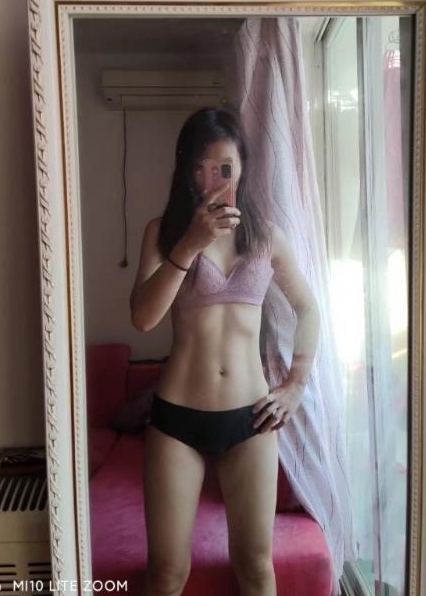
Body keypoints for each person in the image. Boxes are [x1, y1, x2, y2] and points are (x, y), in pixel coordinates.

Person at [129, 106, 320, 596]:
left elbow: (308, 310)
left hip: (249, 421)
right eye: (199, 167)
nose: (209, 180)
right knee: (166, 574)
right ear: (185, 169)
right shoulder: (163, 233)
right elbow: (144, 318)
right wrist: (189, 245)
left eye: (223, 168)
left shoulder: (266, 237)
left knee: (256, 568)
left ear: (242, 168)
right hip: (177, 421)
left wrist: (296, 385)